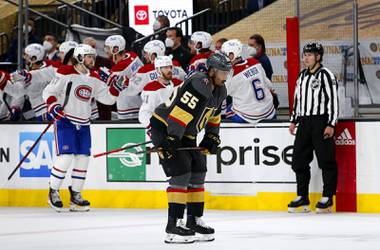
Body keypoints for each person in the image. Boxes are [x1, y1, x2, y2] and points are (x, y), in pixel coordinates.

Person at [149, 53, 232, 243]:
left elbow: (214, 115)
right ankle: (173, 226)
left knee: (198, 171)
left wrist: (212, 135)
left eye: (227, 72)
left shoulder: (220, 89)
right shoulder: (198, 82)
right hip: (166, 126)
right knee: (181, 173)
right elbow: (180, 113)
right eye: (222, 72)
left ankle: (194, 220)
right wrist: (171, 139)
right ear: (211, 71)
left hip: (185, 132)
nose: (225, 75)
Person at [42, 44, 123, 212]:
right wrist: (53, 106)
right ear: (79, 57)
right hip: (65, 120)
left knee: (83, 159)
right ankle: (53, 190)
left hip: (84, 122)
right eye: (88, 57)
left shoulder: (94, 77)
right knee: (65, 157)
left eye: (93, 56)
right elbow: (49, 91)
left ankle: (76, 195)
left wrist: (116, 88)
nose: (92, 60)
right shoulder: (66, 72)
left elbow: (108, 100)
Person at [288, 42, 339, 214]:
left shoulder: (326, 75)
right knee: (298, 160)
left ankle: (327, 197)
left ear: (318, 57)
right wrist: (294, 120)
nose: (306, 58)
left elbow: (333, 100)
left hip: (321, 121)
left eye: (309, 55)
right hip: (304, 123)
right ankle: (302, 196)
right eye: (305, 54)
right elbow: (298, 99)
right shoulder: (302, 76)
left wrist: (331, 123)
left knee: (326, 160)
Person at [221, 39, 276, 123]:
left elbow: (222, 95)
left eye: (224, 54)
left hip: (248, 117)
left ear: (232, 55)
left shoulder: (231, 75)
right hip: (269, 112)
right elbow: (269, 85)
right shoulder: (255, 62)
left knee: (226, 110)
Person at [100, 35, 143, 120]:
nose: (106, 51)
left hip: (129, 109)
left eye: (108, 48)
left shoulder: (118, 69)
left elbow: (111, 92)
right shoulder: (133, 55)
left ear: (115, 49)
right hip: (140, 104)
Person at [139, 56, 183, 127]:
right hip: (161, 129)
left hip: (178, 128)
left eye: (170, 67)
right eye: (165, 68)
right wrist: (154, 127)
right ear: (158, 70)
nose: (169, 70)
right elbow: (144, 114)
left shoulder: (179, 84)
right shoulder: (152, 88)